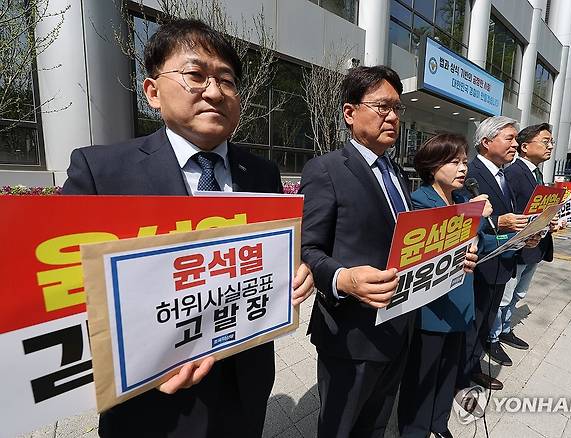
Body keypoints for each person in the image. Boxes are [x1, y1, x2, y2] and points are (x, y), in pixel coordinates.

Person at [62, 18, 314, 438]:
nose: (215, 92)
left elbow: (271, 260)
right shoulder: (101, 173)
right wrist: (139, 359)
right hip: (152, 407)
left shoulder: (262, 173)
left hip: (245, 389)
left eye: (227, 81)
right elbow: (65, 301)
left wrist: (296, 271)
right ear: (152, 92)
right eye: (195, 75)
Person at [300, 65, 414, 437]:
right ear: (350, 112)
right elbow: (307, 248)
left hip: (398, 326)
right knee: (340, 427)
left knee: (375, 425)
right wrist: (342, 279)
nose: (393, 117)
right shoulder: (326, 170)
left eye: (397, 108)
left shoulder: (398, 173)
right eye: (382, 107)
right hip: (351, 334)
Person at [397, 133, 491, 438]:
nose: (463, 168)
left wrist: (513, 237)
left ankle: (438, 423)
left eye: (464, 161)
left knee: (449, 369)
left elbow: (477, 243)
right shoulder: (420, 202)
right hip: (432, 307)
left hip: (461, 300)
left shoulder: (462, 200)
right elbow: (438, 245)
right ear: (432, 166)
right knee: (422, 374)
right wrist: (476, 217)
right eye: (453, 161)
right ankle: (414, 430)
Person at [457, 116, 529, 391]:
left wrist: (524, 233)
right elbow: (462, 218)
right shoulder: (469, 173)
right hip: (477, 265)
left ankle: (473, 367)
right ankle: (461, 376)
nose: (515, 144)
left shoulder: (504, 174)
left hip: (501, 262)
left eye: (516, 139)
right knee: (472, 324)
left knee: (486, 322)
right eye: (509, 138)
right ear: (486, 142)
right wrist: (500, 222)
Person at [487, 123, 557, 360]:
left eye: (551, 142)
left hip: (535, 245)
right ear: (525, 147)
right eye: (545, 141)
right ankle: (493, 337)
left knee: (519, 294)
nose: (550, 146)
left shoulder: (537, 174)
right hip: (517, 247)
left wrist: (549, 221)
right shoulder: (513, 173)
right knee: (505, 296)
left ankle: (505, 329)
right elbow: (509, 210)